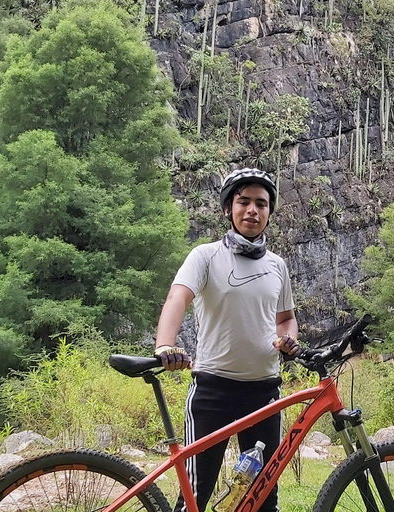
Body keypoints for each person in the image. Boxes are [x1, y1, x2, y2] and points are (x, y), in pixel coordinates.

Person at [153, 167, 299, 512]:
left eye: (261, 204)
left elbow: (287, 319)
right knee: (195, 495)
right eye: (243, 202)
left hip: (265, 393)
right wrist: (164, 345)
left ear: (269, 212)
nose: (252, 210)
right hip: (212, 390)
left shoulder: (278, 265)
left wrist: (288, 340)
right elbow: (178, 298)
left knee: (263, 498)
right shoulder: (206, 256)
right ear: (227, 210)